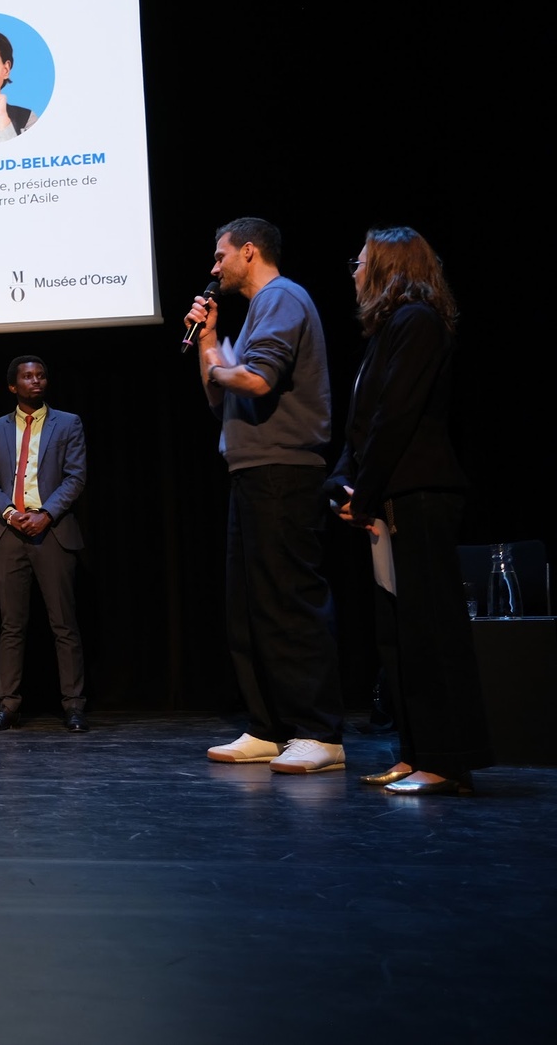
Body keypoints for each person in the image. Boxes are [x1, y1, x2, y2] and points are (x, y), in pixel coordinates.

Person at [328, 227, 493, 795]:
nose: (353, 270)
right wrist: (345, 484)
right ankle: (414, 751)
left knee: (429, 630)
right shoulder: (386, 331)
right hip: (388, 498)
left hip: (418, 497)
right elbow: (365, 422)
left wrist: (366, 494)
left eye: (362, 261)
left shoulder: (417, 322)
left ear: (389, 267)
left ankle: (446, 760)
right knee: (397, 635)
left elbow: (395, 418)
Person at [185, 217, 345, 773]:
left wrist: (217, 360)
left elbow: (255, 381)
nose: (214, 267)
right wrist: (208, 340)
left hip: (284, 471)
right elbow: (226, 400)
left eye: (219, 255)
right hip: (251, 469)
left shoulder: (282, 297)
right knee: (248, 606)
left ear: (248, 252)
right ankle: (267, 726)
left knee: (288, 601)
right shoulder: (258, 310)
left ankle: (319, 731)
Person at [0, 357, 89, 732]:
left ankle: (73, 705)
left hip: (52, 533)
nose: (36, 380)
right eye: (27, 376)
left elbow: (75, 477)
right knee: (12, 625)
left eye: (41, 375)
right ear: (13, 386)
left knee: (64, 624)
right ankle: (8, 705)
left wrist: (46, 514)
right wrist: (10, 514)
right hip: (9, 534)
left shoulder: (68, 423)